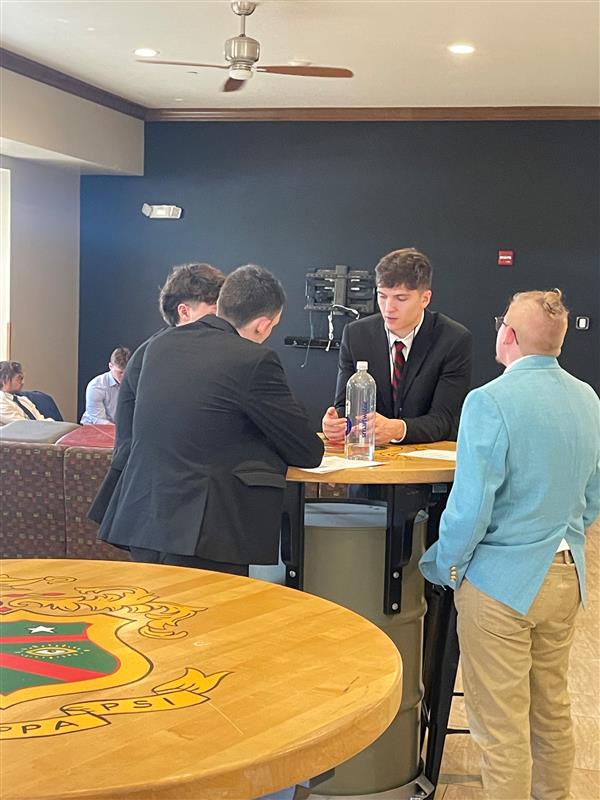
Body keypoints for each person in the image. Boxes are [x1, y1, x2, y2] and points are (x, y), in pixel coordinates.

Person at [419, 289, 600, 800]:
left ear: (509, 336)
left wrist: (443, 565)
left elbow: (472, 506)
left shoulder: (490, 401)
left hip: (500, 585)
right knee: (551, 708)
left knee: (499, 726)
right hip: (567, 576)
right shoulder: (588, 399)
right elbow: (593, 493)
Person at [95, 265, 324, 575]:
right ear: (263, 325)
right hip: (207, 528)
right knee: (211, 622)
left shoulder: (157, 346)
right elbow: (307, 452)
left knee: (155, 621)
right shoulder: (254, 360)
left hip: (144, 514)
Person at [88, 262, 226, 523]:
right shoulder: (161, 357)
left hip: (159, 492)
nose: (220, 319)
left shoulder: (153, 350)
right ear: (184, 312)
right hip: (157, 498)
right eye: (213, 310)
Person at [322, 248, 472, 445]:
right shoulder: (356, 335)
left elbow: (445, 420)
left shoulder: (453, 339)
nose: (388, 307)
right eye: (382, 296)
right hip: (367, 457)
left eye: (401, 298)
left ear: (425, 299)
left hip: (425, 461)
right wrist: (336, 424)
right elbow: (344, 405)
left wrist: (398, 429)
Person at [80, 346, 131, 424]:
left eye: (127, 371)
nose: (124, 376)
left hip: (118, 427)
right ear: (110, 366)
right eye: (120, 372)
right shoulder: (96, 386)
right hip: (95, 427)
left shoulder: (134, 383)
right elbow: (99, 421)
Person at [0, 361, 53, 426]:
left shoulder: (24, 400)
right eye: (19, 378)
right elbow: (24, 426)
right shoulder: (1, 400)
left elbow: (41, 420)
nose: (23, 382)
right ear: (4, 380)